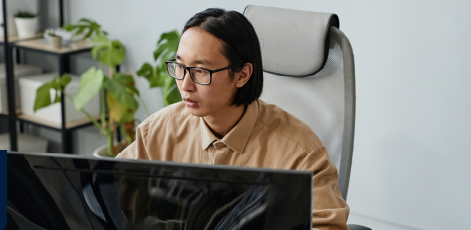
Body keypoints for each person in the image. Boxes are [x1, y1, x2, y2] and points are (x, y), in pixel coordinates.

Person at [116, 8, 349, 230]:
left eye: (200, 71)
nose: (185, 85)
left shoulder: (300, 153)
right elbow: (112, 197)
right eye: (180, 66)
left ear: (242, 74)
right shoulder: (158, 131)